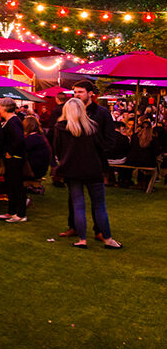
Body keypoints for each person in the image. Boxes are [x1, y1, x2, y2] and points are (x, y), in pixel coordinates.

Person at [53, 98, 122, 249]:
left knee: (78, 204)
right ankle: (108, 238)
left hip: (72, 169)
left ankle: (82, 239)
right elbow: (101, 147)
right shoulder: (92, 126)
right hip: (92, 168)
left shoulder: (61, 128)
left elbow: (57, 149)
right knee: (99, 205)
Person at [60, 81, 115, 239]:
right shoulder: (69, 111)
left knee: (96, 199)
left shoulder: (101, 113)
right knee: (75, 198)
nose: (77, 95)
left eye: (80, 92)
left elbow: (109, 139)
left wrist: (98, 155)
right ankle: (75, 227)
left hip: (94, 163)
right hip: (73, 164)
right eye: (75, 92)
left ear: (91, 93)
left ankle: (99, 231)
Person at [0, 98, 28, 222]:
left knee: (17, 185)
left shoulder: (14, 121)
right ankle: (12, 211)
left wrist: (11, 152)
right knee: (11, 185)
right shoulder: (9, 121)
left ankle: (20, 214)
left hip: (15, 158)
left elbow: (19, 139)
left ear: (5, 108)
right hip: (11, 158)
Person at [24, 116, 51, 181]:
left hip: (34, 171)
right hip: (42, 169)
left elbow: (21, 150)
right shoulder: (39, 137)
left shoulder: (32, 138)